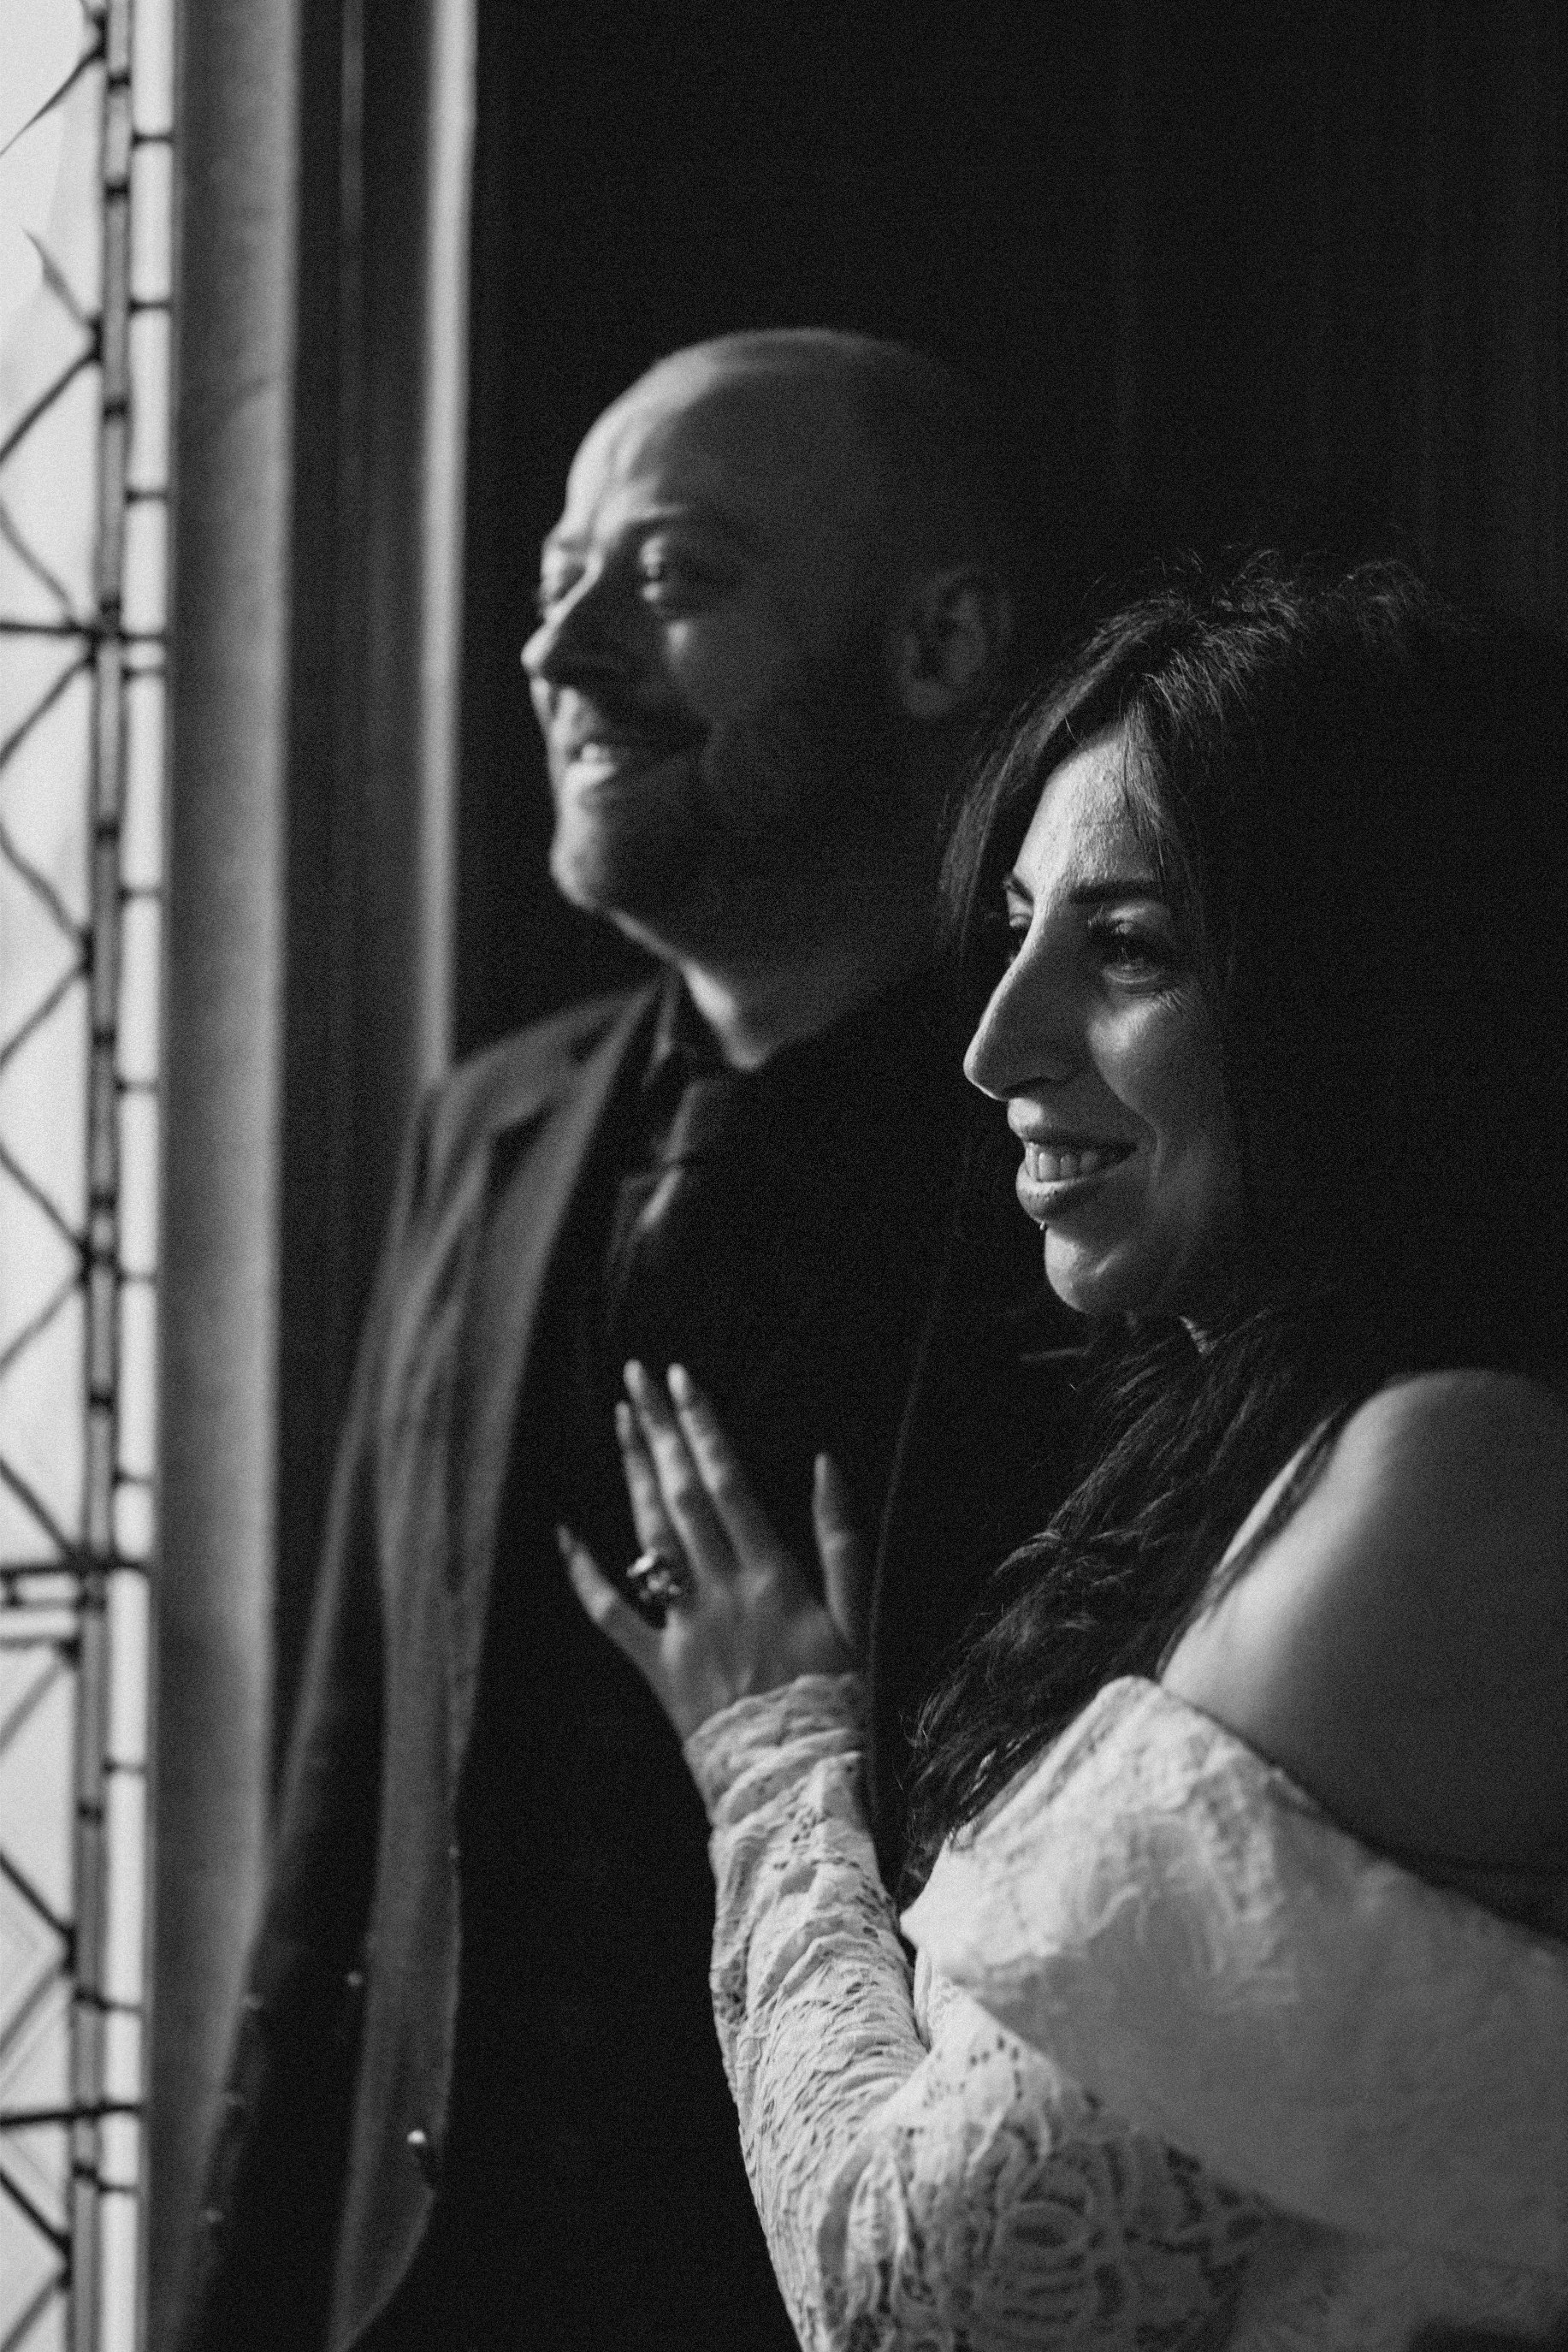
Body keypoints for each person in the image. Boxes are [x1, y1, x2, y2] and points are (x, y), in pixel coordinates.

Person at [177, 329, 1079, 2352]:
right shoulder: (483, 1130)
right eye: (552, 585)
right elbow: (348, 1820)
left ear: (936, 645)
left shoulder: (1080, 1185)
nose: (558, 652)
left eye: (668, 579)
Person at [566, 559, 1568, 2346]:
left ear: (1388, 987)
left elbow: (906, 2298)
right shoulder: (1261, 1438)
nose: (991, 1044)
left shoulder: (1456, 1475)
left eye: (1121, 948)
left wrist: (770, 1765)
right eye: (1016, 926)